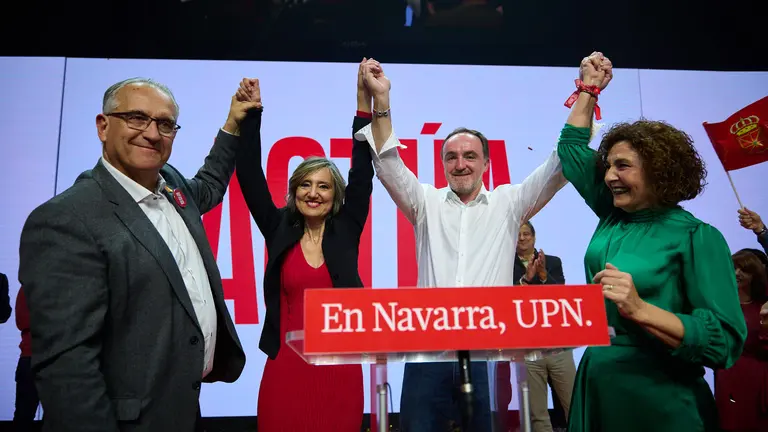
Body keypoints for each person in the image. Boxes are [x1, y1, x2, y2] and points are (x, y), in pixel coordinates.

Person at [354, 54, 604, 431]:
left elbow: (559, 165)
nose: (461, 164)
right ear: (443, 164)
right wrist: (382, 99)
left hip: (490, 354)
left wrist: (587, 92)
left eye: (470, 156)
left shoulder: (509, 203)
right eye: (451, 157)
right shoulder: (425, 202)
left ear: (486, 163)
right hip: (428, 355)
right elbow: (387, 163)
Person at [18, 77, 250, 432]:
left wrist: (233, 123)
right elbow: (68, 372)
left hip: (181, 411)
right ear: (103, 126)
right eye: (137, 118)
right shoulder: (66, 219)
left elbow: (211, 183)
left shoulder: (171, 183)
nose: (152, 134)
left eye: (165, 124)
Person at [560, 52, 747, 432]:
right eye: (608, 165)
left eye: (623, 166)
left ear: (659, 172)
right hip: (599, 384)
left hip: (659, 398)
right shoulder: (613, 212)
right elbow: (572, 150)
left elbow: (726, 342)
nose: (609, 176)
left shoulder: (696, 237)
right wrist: (589, 89)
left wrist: (639, 308)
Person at [234, 61, 374, 431]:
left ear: (335, 194)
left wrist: (363, 105)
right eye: (305, 185)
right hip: (286, 371)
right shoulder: (278, 226)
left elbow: (363, 171)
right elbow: (248, 173)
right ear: (294, 191)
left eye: (323, 186)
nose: (313, 193)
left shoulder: (347, 228)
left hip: (340, 374)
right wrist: (252, 114)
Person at [513, 221, 574, 432]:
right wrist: (526, 280)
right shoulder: (505, 264)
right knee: (537, 415)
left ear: (534, 237)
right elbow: (506, 301)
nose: (522, 238)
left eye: (526, 234)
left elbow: (561, 296)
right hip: (528, 349)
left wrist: (543, 276)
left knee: (574, 406)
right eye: (518, 234)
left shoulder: (553, 262)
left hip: (558, 346)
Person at [715, 249, 768, 431]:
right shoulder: (719, 306)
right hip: (727, 374)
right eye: (734, 268)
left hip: (757, 377)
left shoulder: (762, 308)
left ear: (755, 275)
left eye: (744, 269)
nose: (737, 273)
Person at [13, 287, 40, 431]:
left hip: (30, 356)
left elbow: (21, 320)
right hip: (34, 356)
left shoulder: (27, 286)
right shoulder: (28, 286)